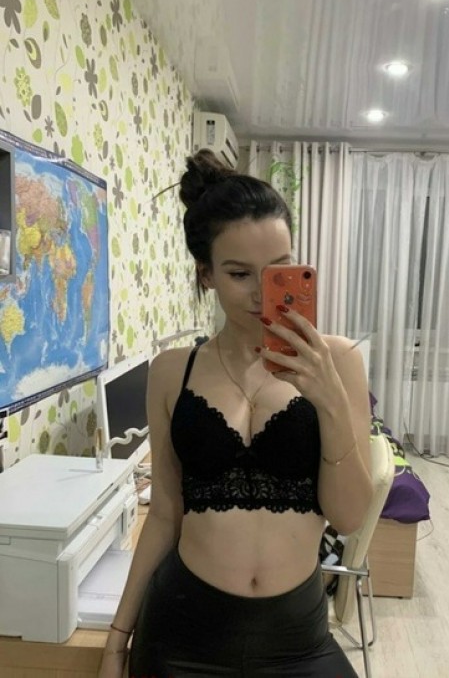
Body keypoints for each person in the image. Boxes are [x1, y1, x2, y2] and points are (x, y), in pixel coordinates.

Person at [98, 149, 374, 678]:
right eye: (240, 274)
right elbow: (165, 514)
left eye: (278, 271)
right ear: (206, 274)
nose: (261, 294)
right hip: (182, 635)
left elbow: (349, 518)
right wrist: (116, 640)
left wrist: (330, 400)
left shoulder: (338, 361)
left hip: (297, 640)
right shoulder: (173, 370)